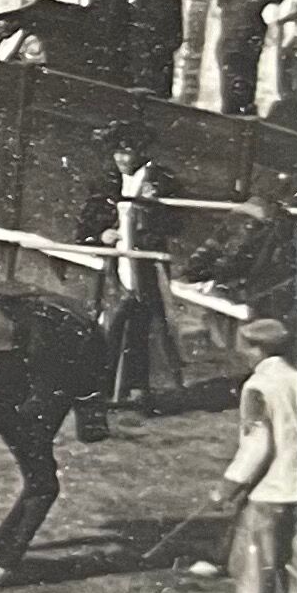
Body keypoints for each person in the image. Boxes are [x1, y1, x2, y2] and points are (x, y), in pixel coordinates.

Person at [213, 313, 297, 593]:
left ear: (257, 349)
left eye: (245, 347)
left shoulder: (258, 387)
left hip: (270, 495)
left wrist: (227, 488)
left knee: (256, 575)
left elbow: (257, 447)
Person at [75, 118, 180, 413]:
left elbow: (176, 225)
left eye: (128, 151)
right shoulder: (106, 181)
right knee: (111, 324)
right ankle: (102, 388)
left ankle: (140, 389)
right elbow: (84, 227)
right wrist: (102, 235)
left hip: (147, 266)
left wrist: (153, 211)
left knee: (145, 327)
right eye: (117, 152)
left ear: (142, 151)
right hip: (116, 265)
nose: (121, 158)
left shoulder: (161, 180)